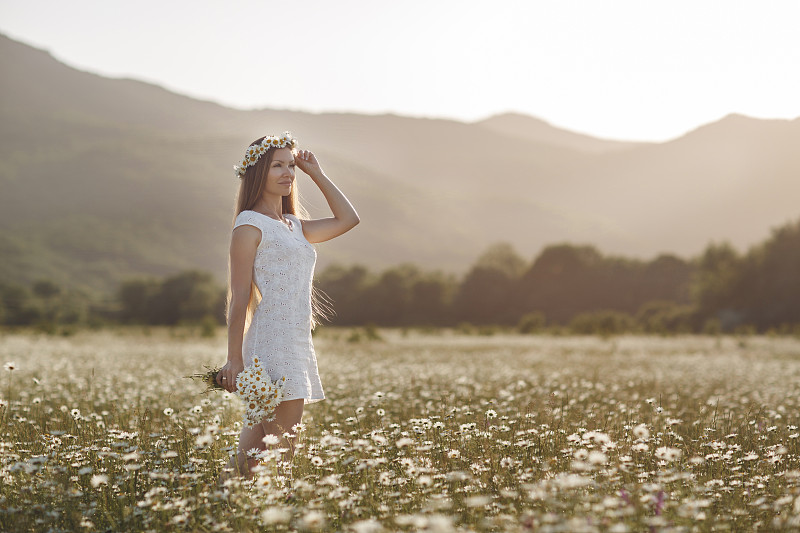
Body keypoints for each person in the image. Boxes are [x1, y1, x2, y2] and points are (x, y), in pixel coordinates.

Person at [215, 132, 359, 485]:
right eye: (277, 165)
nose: (287, 173)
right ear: (256, 173)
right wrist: (234, 358)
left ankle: (218, 503)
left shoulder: (294, 226)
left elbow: (348, 219)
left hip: (295, 339)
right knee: (282, 453)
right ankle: (278, 511)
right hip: (271, 343)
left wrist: (317, 173)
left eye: (291, 165)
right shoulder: (249, 225)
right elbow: (240, 297)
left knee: (253, 452)